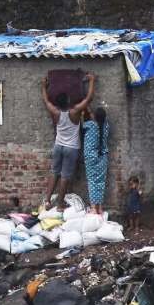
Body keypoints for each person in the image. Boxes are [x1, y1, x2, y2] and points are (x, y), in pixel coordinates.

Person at [41, 72, 96, 210]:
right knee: (65, 176)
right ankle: (60, 204)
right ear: (67, 101)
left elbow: (46, 101)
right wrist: (92, 81)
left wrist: (43, 86)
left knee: (55, 172)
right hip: (71, 148)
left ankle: (47, 201)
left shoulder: (55, 112)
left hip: (58, 146)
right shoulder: (75, 111)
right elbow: (89, 99)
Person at [82, 105, 110, 214]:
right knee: (101, 182)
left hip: (91, 157)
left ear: (94, 117)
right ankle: (100, 208)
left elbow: (82, 125)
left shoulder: (89, 125)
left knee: (92, 181)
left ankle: (93, 207)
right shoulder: (106, 126)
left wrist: (84, 115)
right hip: (103, 157)